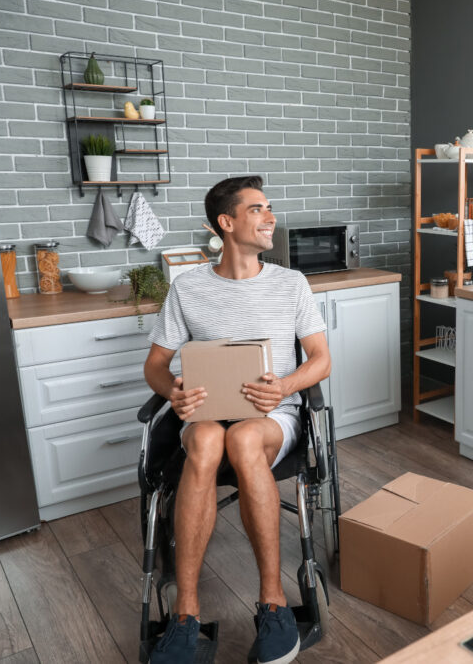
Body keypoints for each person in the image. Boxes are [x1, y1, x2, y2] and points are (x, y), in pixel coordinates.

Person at [144, 176, 330, 664]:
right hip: (208, 412)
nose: (270, 217)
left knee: (245, 439)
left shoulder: (292, 284)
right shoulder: (187, 288)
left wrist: (284, 387)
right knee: (205, 442)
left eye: (269, 208)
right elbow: (156, 367)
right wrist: (175, 392)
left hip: (273, 415)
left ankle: (273, 603)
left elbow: (320, 358)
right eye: (257, 209)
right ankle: (185, 613)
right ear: (226, 223)